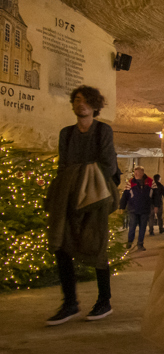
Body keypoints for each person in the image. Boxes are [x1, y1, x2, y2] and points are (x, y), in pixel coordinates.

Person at [45, 86, 119, 325]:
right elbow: (62, 166)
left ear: (95, 106)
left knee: (97, 246)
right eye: (77, 100)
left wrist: (82, 178)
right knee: (62, 246)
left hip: (94, 197)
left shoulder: (102, 131)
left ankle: (104, 301)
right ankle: (70, 303)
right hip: (68, 196)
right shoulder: (66, 133)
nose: (81, 104)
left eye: (86, 101)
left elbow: (108, 164)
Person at [120, 167, 152, 250]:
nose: (136, 174)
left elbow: (155, 195)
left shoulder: (150, 182)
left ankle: (140, 244)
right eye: (135, 173)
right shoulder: (130, 182)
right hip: (133, 209)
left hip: (145, 209)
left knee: (143, 227)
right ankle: (130, 242)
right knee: (132, 226)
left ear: (142, 173)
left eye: (137, 173)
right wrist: (122, 207)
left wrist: (156, 205)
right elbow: (125, 195)